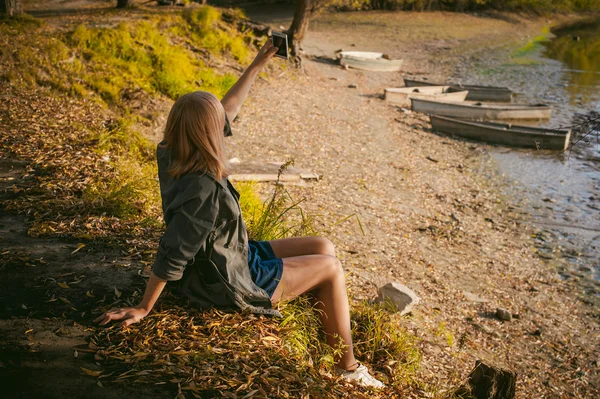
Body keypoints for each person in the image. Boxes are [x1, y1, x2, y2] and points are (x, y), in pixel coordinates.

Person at [94, 40, 384, 389]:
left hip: (233, 251)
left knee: (324, 245)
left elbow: (225, 109)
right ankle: (347, 369)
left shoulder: (172, 150)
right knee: (332, 267)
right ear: (210, 135)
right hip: (226, 281)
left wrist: (256, 65)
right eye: (220, 124)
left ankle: (320, 312)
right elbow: (172, 253)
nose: (226, 124)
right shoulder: (203, 191)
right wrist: (143, 308)